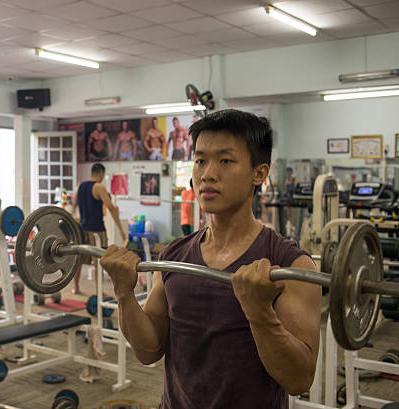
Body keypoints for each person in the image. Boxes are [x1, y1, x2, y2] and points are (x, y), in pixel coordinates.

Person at [100, 109, 320, 408]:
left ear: (259, 173)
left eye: (225, 161)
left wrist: (259, 312)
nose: (207, 173)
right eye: (201, 160)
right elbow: (148, 351)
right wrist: (124, 293)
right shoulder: (173, 257)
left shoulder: (291, 266)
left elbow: (299, 380)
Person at [73, 163, 127, 294]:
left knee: (78, 260)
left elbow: (73, 206)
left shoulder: (80, 186)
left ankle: (76, 288)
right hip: (97, 230)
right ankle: (99, 291)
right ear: (101, 173)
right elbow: (111, 208)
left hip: (82, 229)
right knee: (99, 261)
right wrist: (121, 229)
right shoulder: (99, 187)